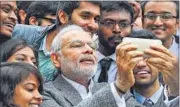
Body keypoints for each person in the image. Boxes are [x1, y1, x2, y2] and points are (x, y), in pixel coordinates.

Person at [42, 25, 144, 107]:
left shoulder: (107, 88)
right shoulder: (44, 93)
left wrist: (160, 73)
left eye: (92, 46)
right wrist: (119, 87)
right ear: (55, 59)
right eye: (77, 45)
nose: (89, 50)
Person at [12, 1, 101, 82]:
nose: (93, 25)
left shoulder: (89, 55)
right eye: (85, 16)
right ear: (63, 17)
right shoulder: (19, 33)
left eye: (96, 19)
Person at [117, 29, 179, 107]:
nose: (141, 64)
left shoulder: (176, 95)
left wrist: (175, 92)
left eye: (148, 57)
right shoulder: (113, 99)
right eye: (135, 58)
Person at [141, 0, 179, 96]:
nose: (158, 23)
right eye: (151, 16)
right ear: (142, 21)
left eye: (166, 16)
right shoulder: (128, 51)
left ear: (177, 24)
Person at [93, 1, 134, 83]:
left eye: (123, 24)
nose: (117, 30)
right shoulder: (83, 56)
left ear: (131, 28)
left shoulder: (136, 63)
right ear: (96, 26)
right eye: (109, 23)